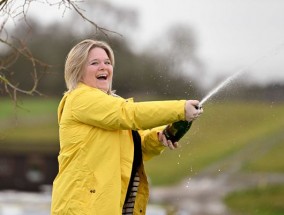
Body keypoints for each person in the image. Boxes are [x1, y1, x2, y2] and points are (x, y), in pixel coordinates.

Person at [50, 39, 203, 215]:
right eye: (94, 63)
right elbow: (129, 114)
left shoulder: (113, 105)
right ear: (77, 70)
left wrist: (159, 137)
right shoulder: (79, 99)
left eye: (107, 62)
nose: (103, 67)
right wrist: (179, 109)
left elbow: (138, 147)